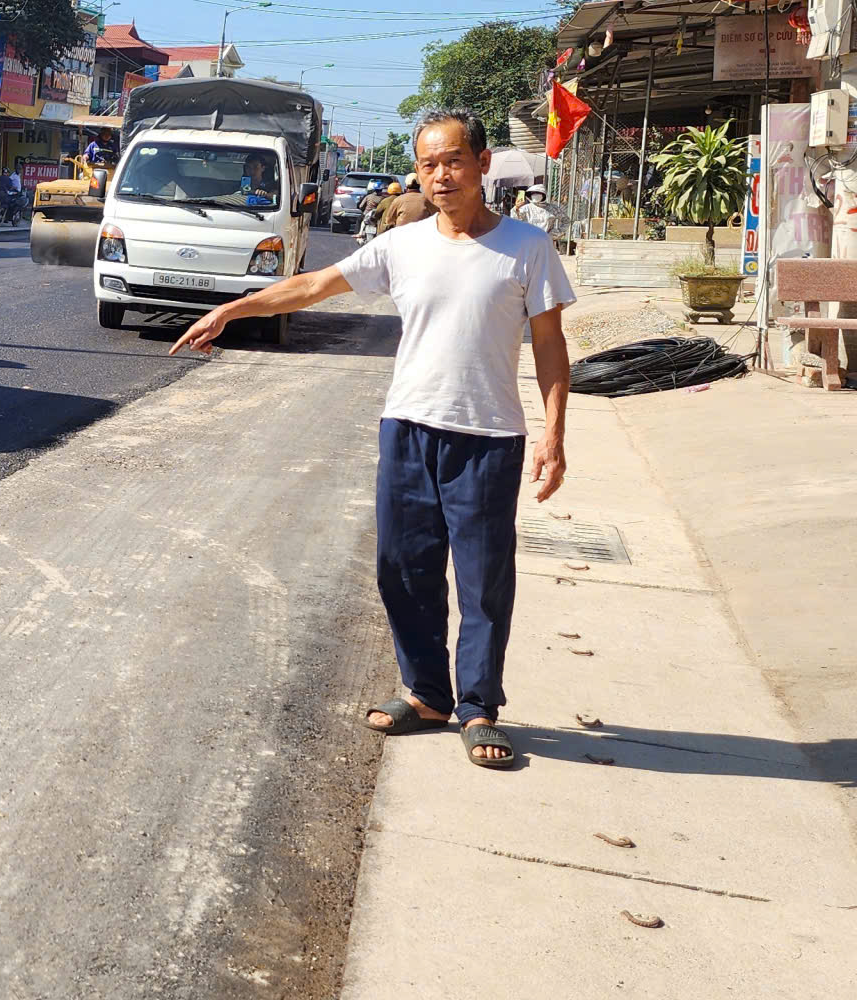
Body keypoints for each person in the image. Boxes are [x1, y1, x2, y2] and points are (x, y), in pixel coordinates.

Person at [168, 108, 575, 770]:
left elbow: (551, 346)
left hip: (487, 435)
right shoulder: (402, 245)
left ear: (482, 164)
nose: (440, 175)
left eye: (453, 161)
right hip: (408, 427)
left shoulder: (527, 247)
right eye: (428, 164)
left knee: (483, 579)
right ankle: (428, 693)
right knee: (403, 569)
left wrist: (554, 434)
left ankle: (478, 706)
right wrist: (231, 310)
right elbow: (312, 285)